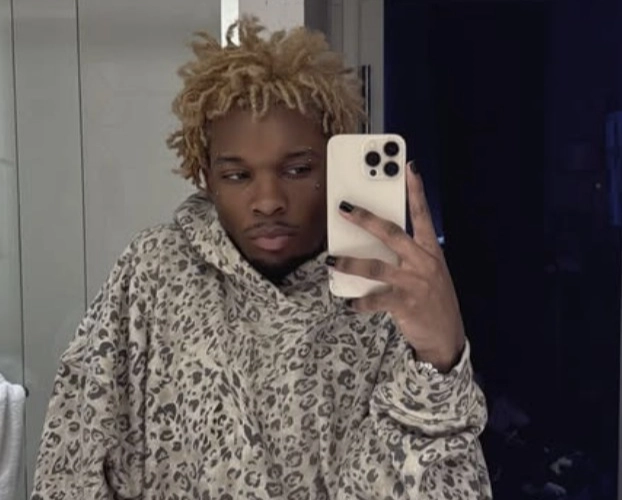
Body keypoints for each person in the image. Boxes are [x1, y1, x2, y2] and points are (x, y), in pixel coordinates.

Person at [31, 17, 491, 500]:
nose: (268, 201)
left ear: (333, 165)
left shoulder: (390, 293)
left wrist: (440, 358)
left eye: (297, 169)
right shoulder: (154, 273)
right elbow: (74, 456)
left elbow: (445, 483)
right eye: (237, 175)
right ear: (206, 176)